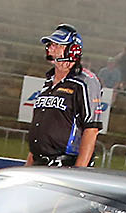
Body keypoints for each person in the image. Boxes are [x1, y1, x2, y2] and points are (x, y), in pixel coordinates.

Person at [23, 23, 102, 168]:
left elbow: (91, 129)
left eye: (57, 45)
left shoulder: (85, 82)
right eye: (50, 44)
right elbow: (41, 127)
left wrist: (78, 170)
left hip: (65, 165)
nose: (50, 48)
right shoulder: (48, 81)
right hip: (40, 164)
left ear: (72, 50)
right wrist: (29, 165)